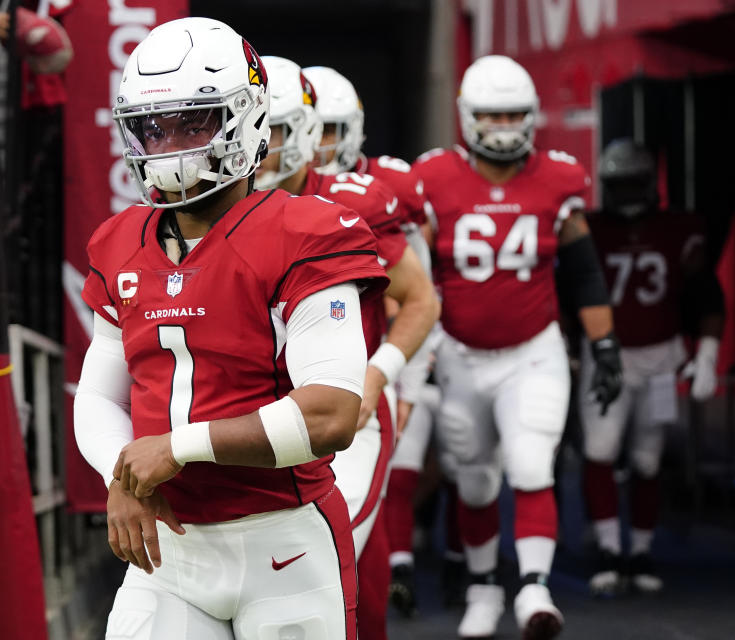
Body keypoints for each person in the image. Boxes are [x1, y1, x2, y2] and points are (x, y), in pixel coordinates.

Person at [74, 19, 390, 640]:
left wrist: (174, 447)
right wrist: (123, 475)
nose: (168, 145)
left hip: (285, 542)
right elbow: (98, 394)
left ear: (245, 121)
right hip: (169, 547)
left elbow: (330, 415)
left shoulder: (307, 233)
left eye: (192, 123)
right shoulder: (117, 243)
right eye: (152, 127)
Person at [414, 55, 622, 639]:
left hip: (534, 350)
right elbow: (412, 273)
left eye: (513, 114)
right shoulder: (433, 179)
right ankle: (482, 587)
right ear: (467, 118)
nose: (504, 125)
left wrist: (605, 346)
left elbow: (584, 272)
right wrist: (417, 352)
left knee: (532, 464)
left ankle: (534, 588)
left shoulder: (558, 177)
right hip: (459, 353)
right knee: (475, 479)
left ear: (531, 117)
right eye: (492, 114)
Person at [258, 57, 440, 640]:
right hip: (253, 416)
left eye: (274, 130)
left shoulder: (354, 200)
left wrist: (381, 376)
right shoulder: (208, 207)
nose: (258, 146)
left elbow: (421, 299)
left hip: (344, 415)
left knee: (321, 559)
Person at [582, 139, 725, 595]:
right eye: (617, 186)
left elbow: (705, 293)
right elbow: (571, 292)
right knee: (600, 450)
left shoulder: (679, 228)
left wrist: (707, 353)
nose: (624, 194)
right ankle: (607, 549)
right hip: (607, 354)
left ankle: (640, 551)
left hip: (662, 354)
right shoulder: (590, 229)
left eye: (631, 184)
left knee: (648, 457)